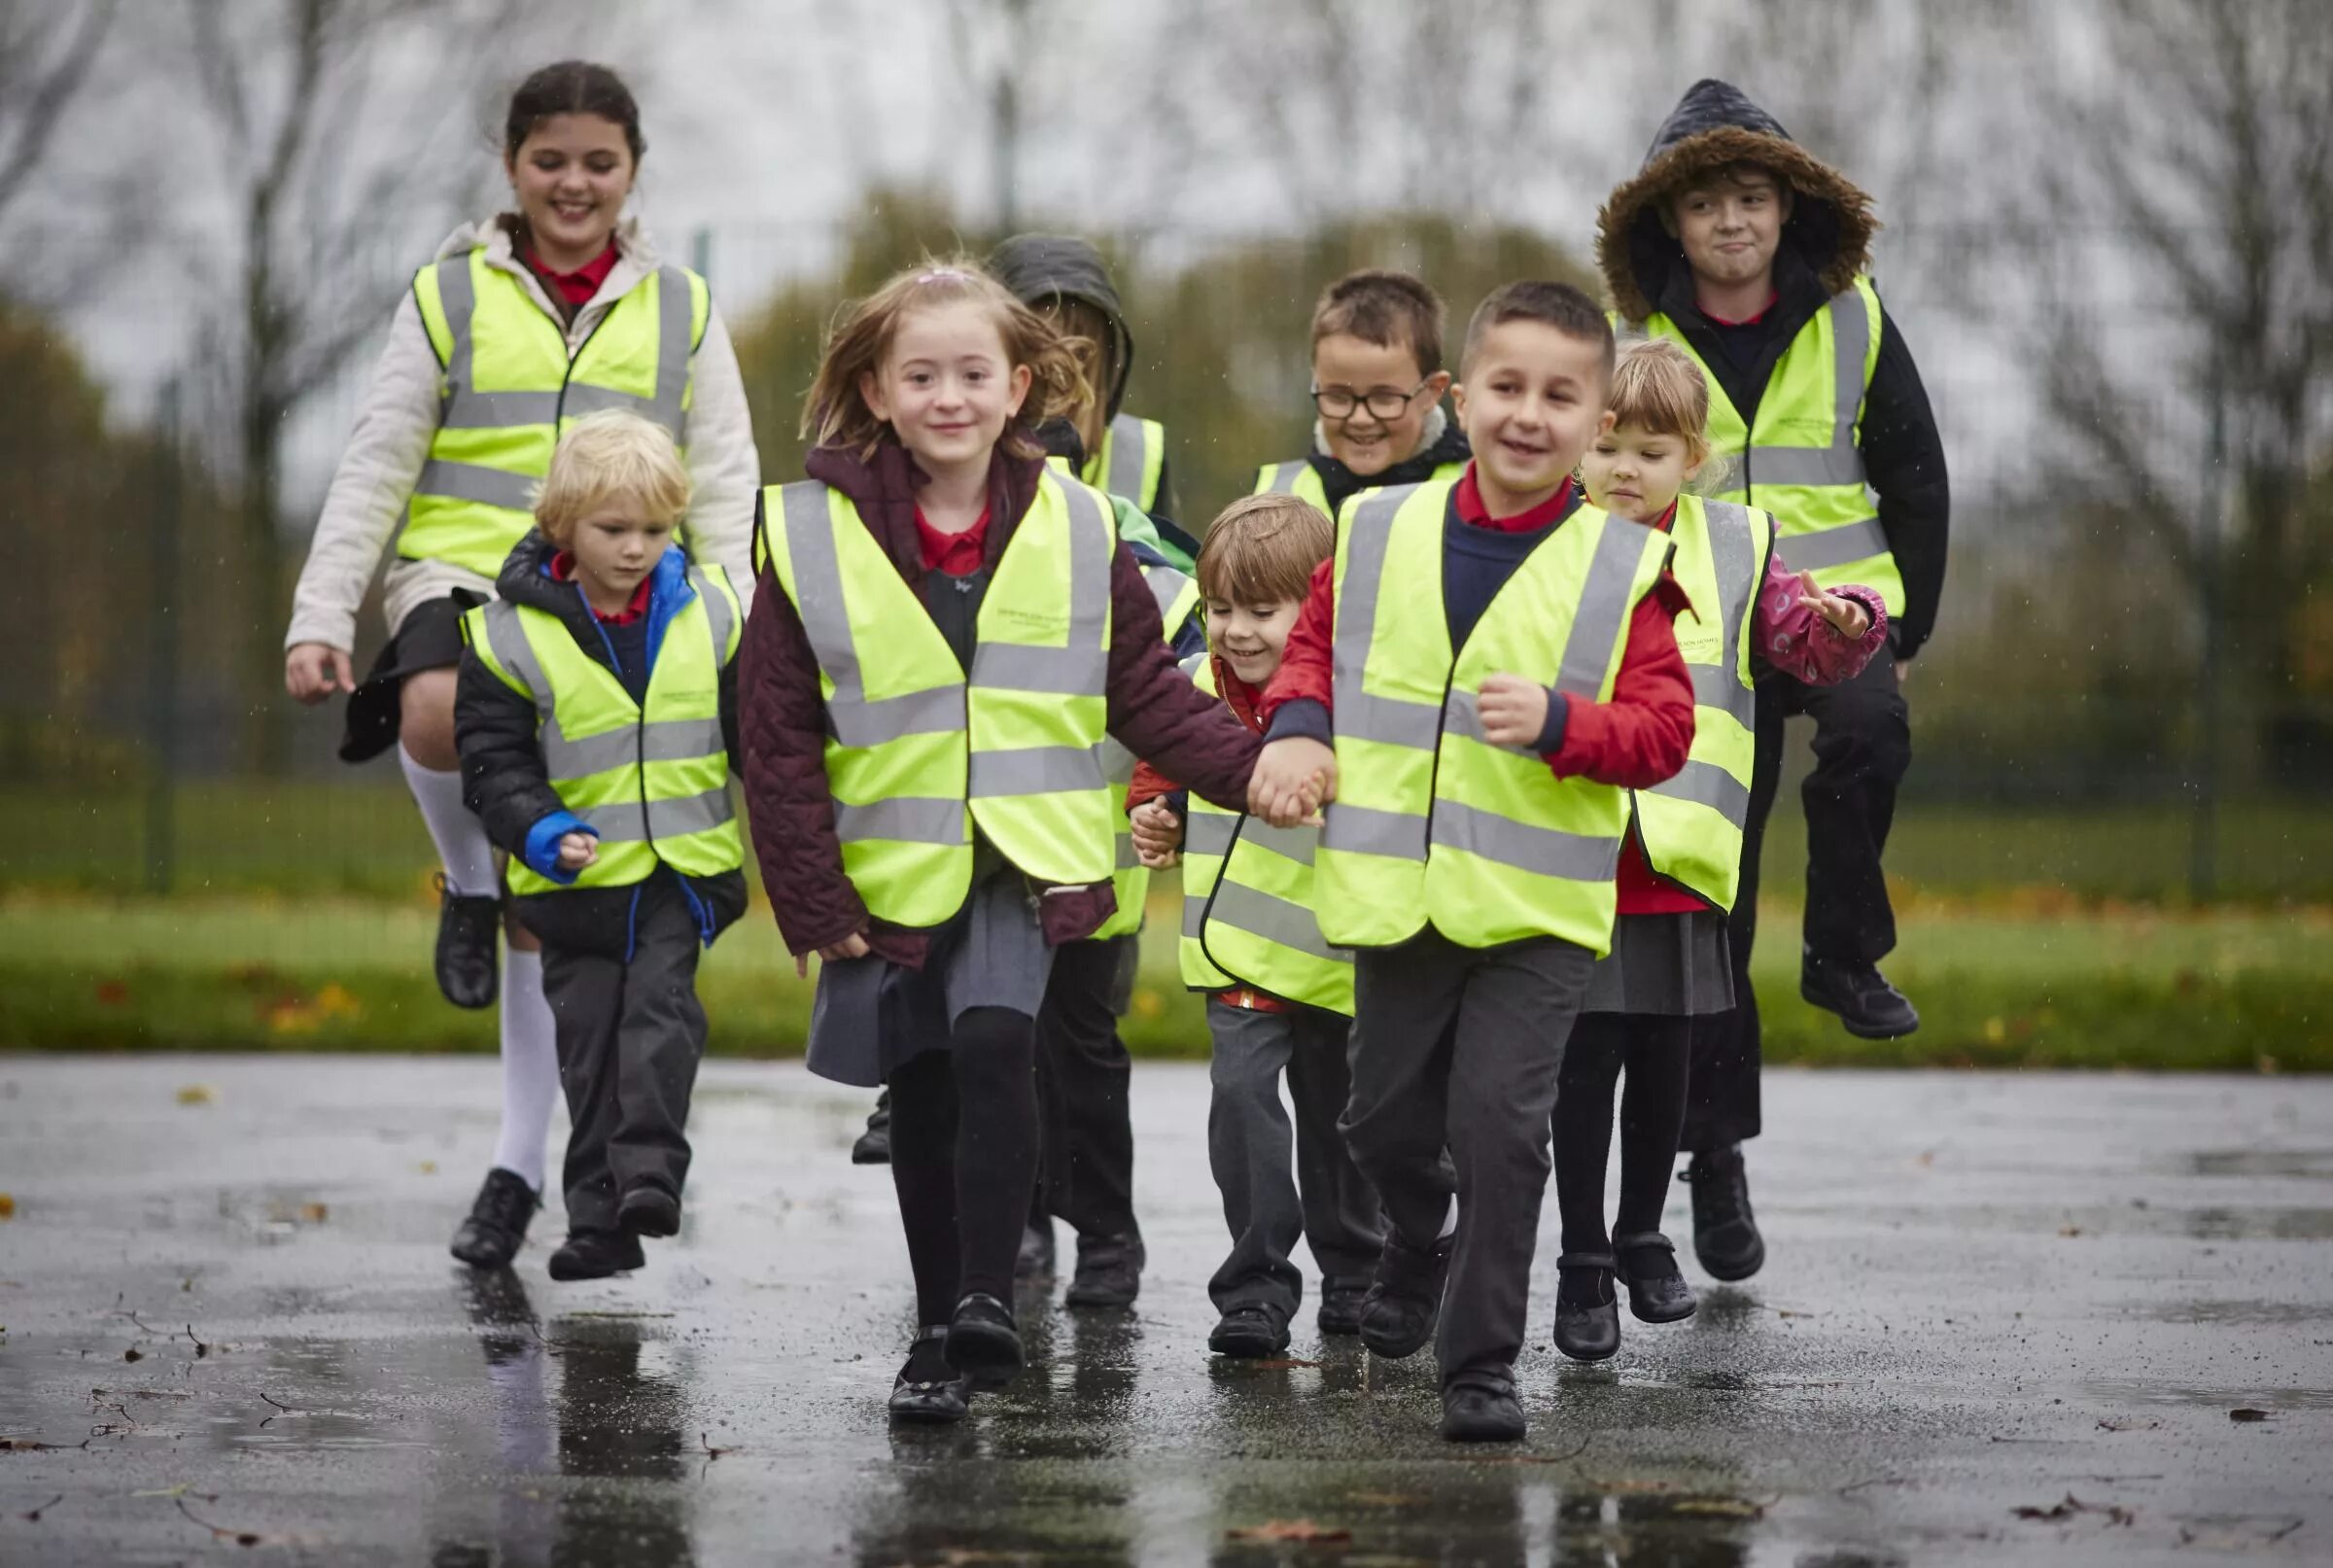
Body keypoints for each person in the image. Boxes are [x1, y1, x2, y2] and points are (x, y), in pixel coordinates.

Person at [739, 261, 1263, 1425]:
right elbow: (772, 739)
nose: (948, 396)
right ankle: (934, 1326)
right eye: (919, 374)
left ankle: (986, 1299)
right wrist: (814, 902)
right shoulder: (807, 532)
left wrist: (1251, 769)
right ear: (875, 390)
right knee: (921, 1084)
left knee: (994, 1040)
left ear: (1020, 385)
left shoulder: (1080, 523)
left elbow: (1146, 693)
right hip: (889, 868)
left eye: (974, 373)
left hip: (1023, 862)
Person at [282, 61, 759, 1271]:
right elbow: (379, 457)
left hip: (628, 602)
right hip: (470, 577)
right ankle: (473, 881)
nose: (575, 183)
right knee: (439, 711)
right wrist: (321, 608)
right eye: (551, 160)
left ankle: (520, 1160)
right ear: (511, 166)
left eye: (600, 162)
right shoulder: (446, 296)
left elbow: (726, 478)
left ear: (632, 172)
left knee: (578, 927)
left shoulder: (683, 305)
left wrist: (729, 617)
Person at [1249, 281, 1696, 1443]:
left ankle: (1481, 1362)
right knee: (1384, 1122)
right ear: (1463, 396)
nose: (1529, 415)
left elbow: (1665, 734)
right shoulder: (1376, 527)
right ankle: (1416, 1227)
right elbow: (1310, 660)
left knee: (1504, 1128)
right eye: (1508, 387)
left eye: (1561, 395)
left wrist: (1562, 721)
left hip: (1535, 912)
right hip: (1395, 898)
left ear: (1598, 418)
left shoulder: (1622, 565)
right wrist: (1298, 733)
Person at [1597, 78, 1948, 1282]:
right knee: (1711, 905)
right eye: (1707, 204)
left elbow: (1916, 469)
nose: (1733, 221)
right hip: (1700, 627)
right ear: (1673, 224)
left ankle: (1846, 951)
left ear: (1788, 211)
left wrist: (1910, 623)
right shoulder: (1638, 343)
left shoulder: (1853, 313)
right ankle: (1716, 1152)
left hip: (1842, 609)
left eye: (1753, 197)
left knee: (1869, 737)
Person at [1551, 340, 1887, 1361]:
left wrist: (1846, 620)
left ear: (1694, 457)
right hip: (1572, 856)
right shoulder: (1547, 543)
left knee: (1666, 1054)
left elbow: (1801, 633)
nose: (1624, 470)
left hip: (1683, 861)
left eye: (1651, 451)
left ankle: (1645, 1230)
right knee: (1585, 1058)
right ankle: (1581, 1259)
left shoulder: (1735, 545)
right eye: (1608, 447)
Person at [453, 410, 748, 1280]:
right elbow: (492, 759)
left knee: (659, 1017)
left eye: (656, 530)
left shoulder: (716, 614)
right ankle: (596, 1223)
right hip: (573, 886)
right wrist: (541, 832)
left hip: (678, 876)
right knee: (587, 1044)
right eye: (614, 530)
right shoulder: (506, 635)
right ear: (560, 528)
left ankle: (650, 1177)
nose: (636, 548)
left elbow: (759, 739)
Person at [986, 233, 1207, 1305]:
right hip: (996, 799)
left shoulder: (1142, 457)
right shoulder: (961, 448)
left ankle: (1107, 1229)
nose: (1071, 365)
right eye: (1048, 340)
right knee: (1003, 1032)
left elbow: (1178, 583)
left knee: (1086, 1042)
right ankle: (1024, 1223)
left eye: (1090, 343)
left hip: (1099, 797)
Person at [1124, 493, 1383, 1358]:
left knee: (1342, 1120)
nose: (1236, 630)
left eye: (1262, 611)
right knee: (1242, 1104)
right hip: (1234, 947)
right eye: (1220, 608)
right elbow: (1160, 766)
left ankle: (1356, 1266)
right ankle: (1256, 1288)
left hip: (1338, 948)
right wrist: (1154, 811)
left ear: (1317, 610)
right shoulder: (1196, 684)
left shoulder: (1355, 696)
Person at [1253, 270, 1472, 517]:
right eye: (1337, 396)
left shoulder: (1480, 492)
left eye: (1384, 398)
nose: (1360, 419)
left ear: (1432, 392)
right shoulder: (1270, 501)